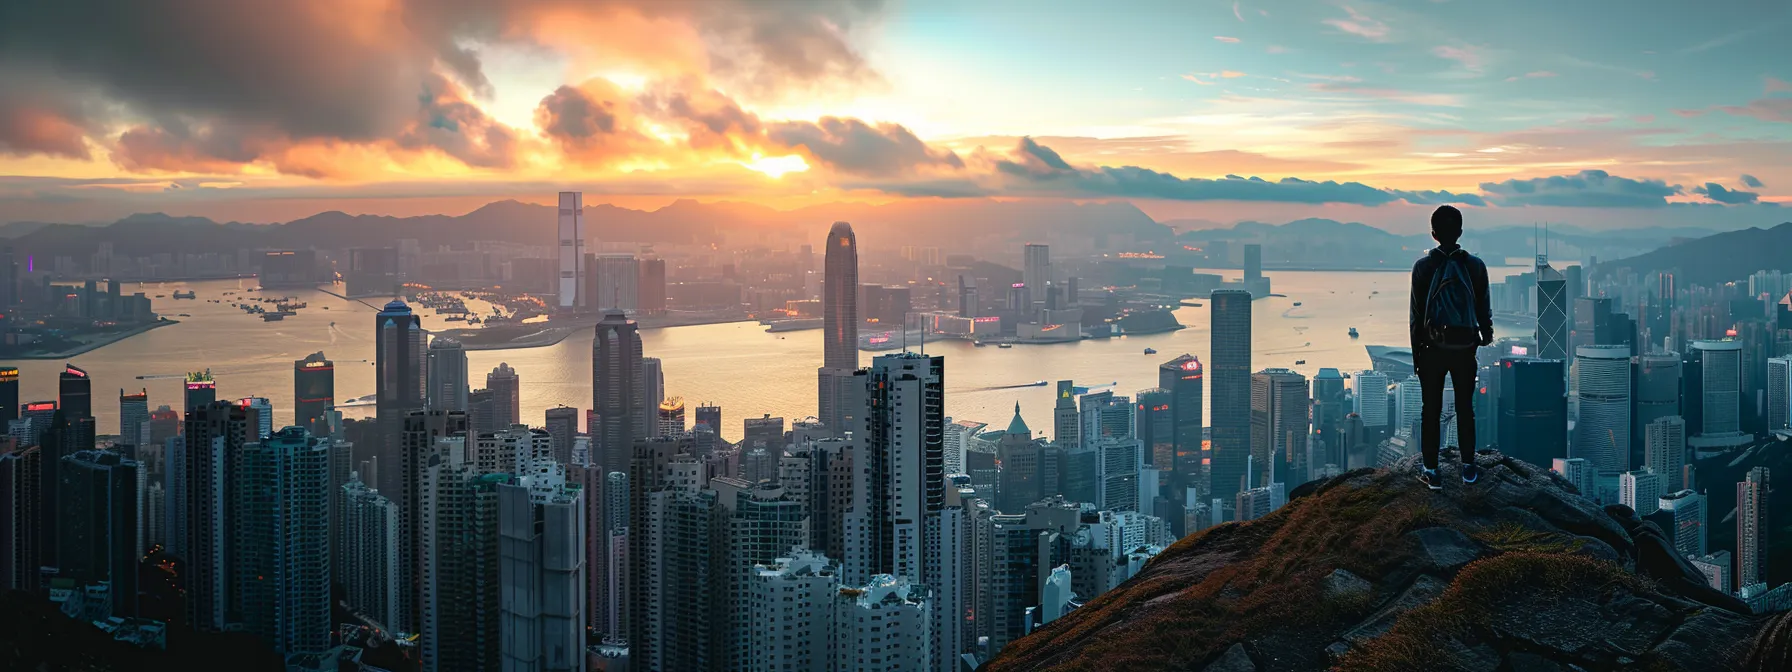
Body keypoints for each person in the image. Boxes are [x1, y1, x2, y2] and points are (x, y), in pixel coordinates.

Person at [1409, 205, 1492, 490]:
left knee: (1430, 410)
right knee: (1465, 408)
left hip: (1432, 349)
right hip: (1465, 347)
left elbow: (1416, 315)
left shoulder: (1423, 267)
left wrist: (1417, 355)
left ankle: (1431, 470)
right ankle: (1468, 466)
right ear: (1459, 232)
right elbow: (1484, 305)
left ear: (1433, 233)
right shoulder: (1475, 265)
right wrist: (1485, 334)